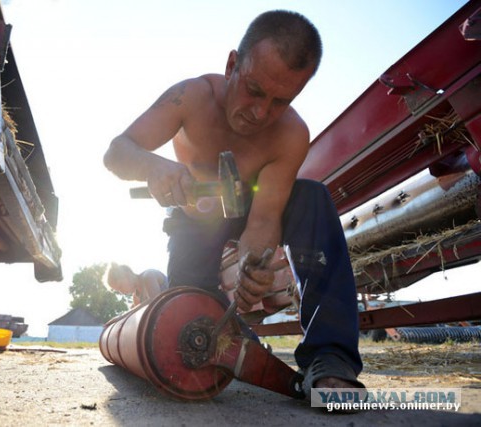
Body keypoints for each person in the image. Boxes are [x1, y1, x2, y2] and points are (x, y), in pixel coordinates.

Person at [103, 10, 365, 396]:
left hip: (253, 207)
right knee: (192, 309)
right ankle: (245, 349)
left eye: (280, 101)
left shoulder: (291, 135)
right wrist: (153, 166)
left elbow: (264, 218)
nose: (261, 113)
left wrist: (252, 264)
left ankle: (331, 357)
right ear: (232, 65)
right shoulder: (191, 97)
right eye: (254, 90)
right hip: (194, 220)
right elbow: (117, 153)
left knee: (312, 199)